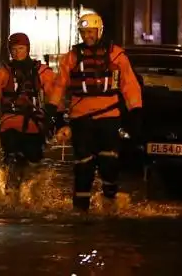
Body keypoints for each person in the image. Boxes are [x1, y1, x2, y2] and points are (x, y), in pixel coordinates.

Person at [46, 13, 143, 213]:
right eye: (83, 32)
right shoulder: (71, 58)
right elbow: (59, 85)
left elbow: (129, 85)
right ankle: (81, 210)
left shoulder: (116, 55)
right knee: (83, 166)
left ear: (99, 31)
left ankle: (110, 200)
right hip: (81, 118)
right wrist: (52, 110)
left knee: (109, 162)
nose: (87, 36)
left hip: (108, 116)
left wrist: (135, 110)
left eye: (90, 31)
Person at [0, 33, 58, 197]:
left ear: (27, 49)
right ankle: (11, 194)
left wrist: (57, 116)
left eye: (21, 49)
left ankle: (32, 193)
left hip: (35, 124)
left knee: (33, 160)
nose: (17, 52)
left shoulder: (41, 71)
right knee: (12, 157)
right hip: (10, 121)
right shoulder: (3, 72)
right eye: (13, 49)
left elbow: (55, 93)